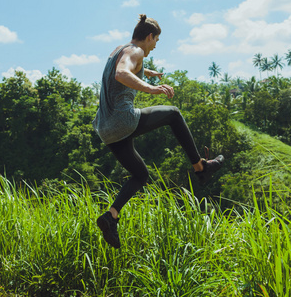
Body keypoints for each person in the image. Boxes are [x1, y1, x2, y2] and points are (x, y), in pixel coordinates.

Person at [92, 14, 224, 249]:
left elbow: (126, 66)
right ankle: (200, 167)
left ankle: (110, 216)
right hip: (123, 121)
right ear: (150, 36)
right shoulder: (136, 51)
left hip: (105, 128)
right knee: (173, 113)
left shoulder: (119, 49)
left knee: (141, 175)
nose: (155, 46)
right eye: (156, 41)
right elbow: (121, 74)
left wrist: (146, 72)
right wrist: (152, 89)